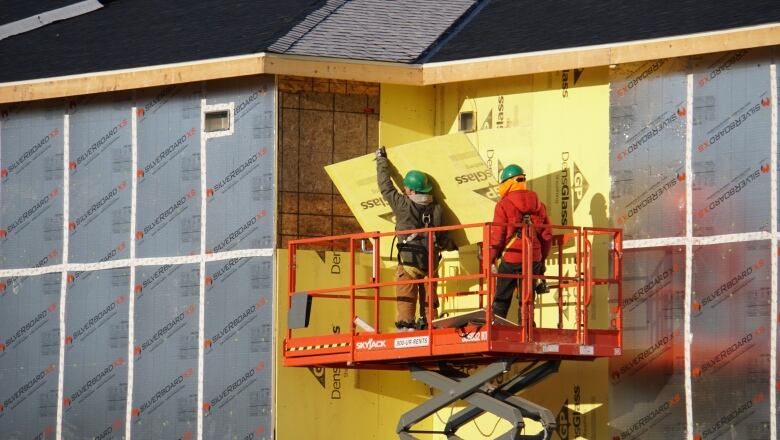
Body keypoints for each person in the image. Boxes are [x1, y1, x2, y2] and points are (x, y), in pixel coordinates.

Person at [375, 146, 456, 331]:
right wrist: (452, 246)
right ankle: (430, 326)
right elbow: (443, 237)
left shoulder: (402, 204)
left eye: (406, 187)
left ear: (411, 190)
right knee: (429, 301)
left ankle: (406, 329)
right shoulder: (437, 208)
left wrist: (381, 160)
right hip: (430, 262)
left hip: (410, 262)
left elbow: (385, 186)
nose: (403, 189)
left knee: (406, 299)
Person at [489, 164, 552, 319]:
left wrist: (490, 259)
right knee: (527, 298)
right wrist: (541, 259)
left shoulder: (503, 205)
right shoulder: (539, 205)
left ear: (507, 183)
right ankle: (528, 328)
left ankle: (497, 326)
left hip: (512, 256)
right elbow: (547, 236)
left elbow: (497, 237)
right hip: (533, 257)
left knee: (502, 296)